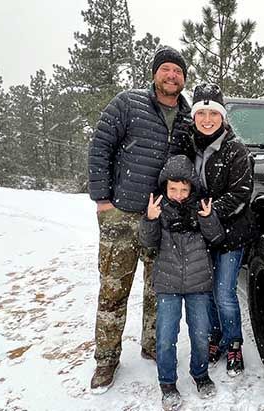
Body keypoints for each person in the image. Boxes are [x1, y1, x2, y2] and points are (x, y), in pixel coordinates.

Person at [87, 45, 191, 393]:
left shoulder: (189, 117)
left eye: (178, 71)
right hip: (122, 212)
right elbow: (100, 146)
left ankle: (152, 343)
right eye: (166, 69)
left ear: (184, 78)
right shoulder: (128, 103)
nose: (172, 75)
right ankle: (106, 360)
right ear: (154, 74)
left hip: (162, 216)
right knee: (114, 290)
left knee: (157, 289)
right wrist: (102, 200)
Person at [139, 155, 224, 409]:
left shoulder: (201, 208)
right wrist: (150, 219)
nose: (178, 194)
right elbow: (148, 242)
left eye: (183, 189)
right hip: (167, 284)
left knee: (200, 335)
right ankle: (167, 383)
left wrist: (208, 218)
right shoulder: (158, 210)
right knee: (165, 337)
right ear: (165, 187)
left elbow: (217, 237)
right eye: (172, 189)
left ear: (191, 189)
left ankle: (200, 374)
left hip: (198, 284)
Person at [185, 83, 258, 377]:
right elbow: (180, 183)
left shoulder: (235, 149)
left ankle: (234, 344)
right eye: (200, 113)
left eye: (212, 113)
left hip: (231, 233)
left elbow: (241, 193)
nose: (206, 119)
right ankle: (215, 337)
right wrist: (195, 215)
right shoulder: (188, 146)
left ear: (222, 117)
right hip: (200, 233)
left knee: (224, 292)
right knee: (207, 291)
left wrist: (211, 213)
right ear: (193, 117)